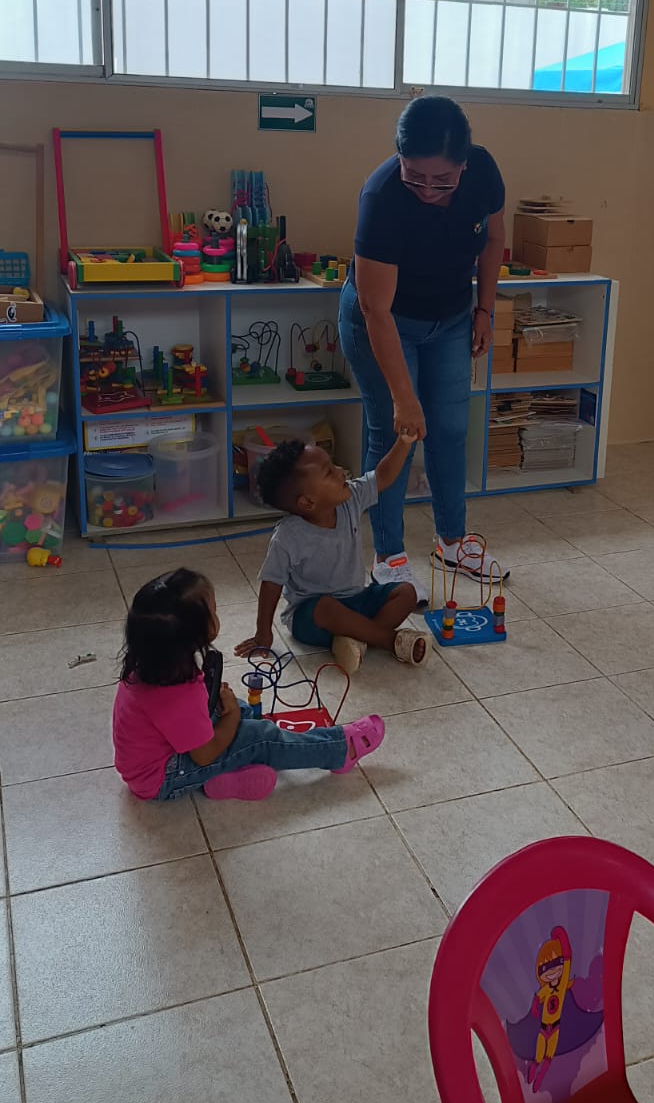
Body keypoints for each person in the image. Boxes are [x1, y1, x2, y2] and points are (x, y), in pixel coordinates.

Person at [339, 95, 509, 601]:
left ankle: (452, 543)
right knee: (397, 433)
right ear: (399, 157)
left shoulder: (483, 172)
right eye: (415, 176)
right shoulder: (382, 196)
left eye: (443, 180)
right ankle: (388, 558)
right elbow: (376, 310)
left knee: (451, 429)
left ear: (464, 163)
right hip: (385, 321)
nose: (429, 190)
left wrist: (484, 310)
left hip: (451, 317)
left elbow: (493, 240)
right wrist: (403, 397)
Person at [112, 568, 384, 804]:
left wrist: (222, 707)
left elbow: (177, 717)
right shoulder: (178, 691)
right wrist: (230, 716)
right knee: (259, 735)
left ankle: (228, 775)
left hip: (155, 763)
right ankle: (339, 750)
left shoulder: (152, 663)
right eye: (214, 610)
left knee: (240, 711)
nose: (217, 613)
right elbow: (204, 755)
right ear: (193, 633)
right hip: (164, 778)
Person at [236, 433, 429, 675]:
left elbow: (382, 476)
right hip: (312, 616)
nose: (341, 471)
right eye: (329, 472)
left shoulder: (351, 498)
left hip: (356, 600)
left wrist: (404, 442)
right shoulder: (288, 536)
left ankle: (357, 639)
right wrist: (263, 632)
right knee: (326, 607)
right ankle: (389, 640)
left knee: (407, 592)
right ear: (307, 502)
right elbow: (271, 583)